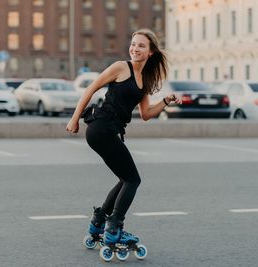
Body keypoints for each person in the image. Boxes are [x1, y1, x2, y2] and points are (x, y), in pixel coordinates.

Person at [66, 29, 181, 247]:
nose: (135, 49)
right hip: (101, 127)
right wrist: (74, 119)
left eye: (141, 46)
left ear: (151, 52)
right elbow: (90, 89)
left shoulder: (145, 79)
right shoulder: (121, 67)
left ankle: (99, 223)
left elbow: (146, 114)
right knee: (133, 180)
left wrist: (165, 100)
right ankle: (114, 228)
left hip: (109, 130)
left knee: (125, 179)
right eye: (133, 44)